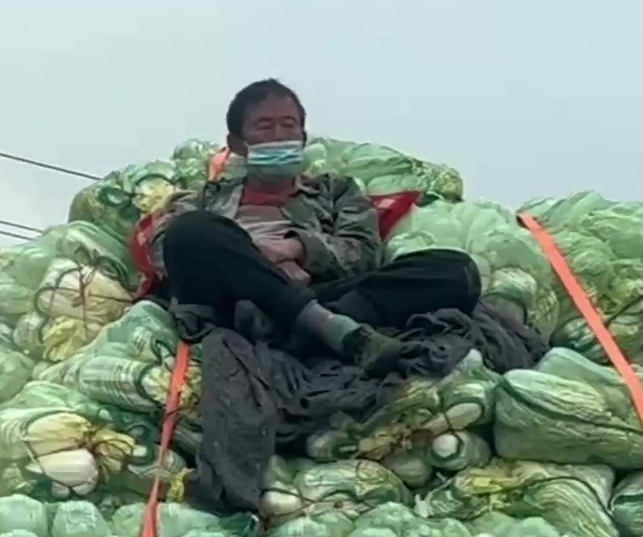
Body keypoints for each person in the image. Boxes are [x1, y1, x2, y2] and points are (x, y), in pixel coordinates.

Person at [147, 79, 481, 369]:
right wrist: (255, 262)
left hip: (320, 295)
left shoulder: (337, 192)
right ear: (238, 144)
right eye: (264, 127)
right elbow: (165, 252)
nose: (279, 136)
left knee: (455, 270)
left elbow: (363, 253)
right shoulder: (205, 199)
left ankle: (297, 324)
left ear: (303, 137)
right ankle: (326, 330)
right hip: (227, 307)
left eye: (288, 125)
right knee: (190, 230)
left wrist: (298, 248)